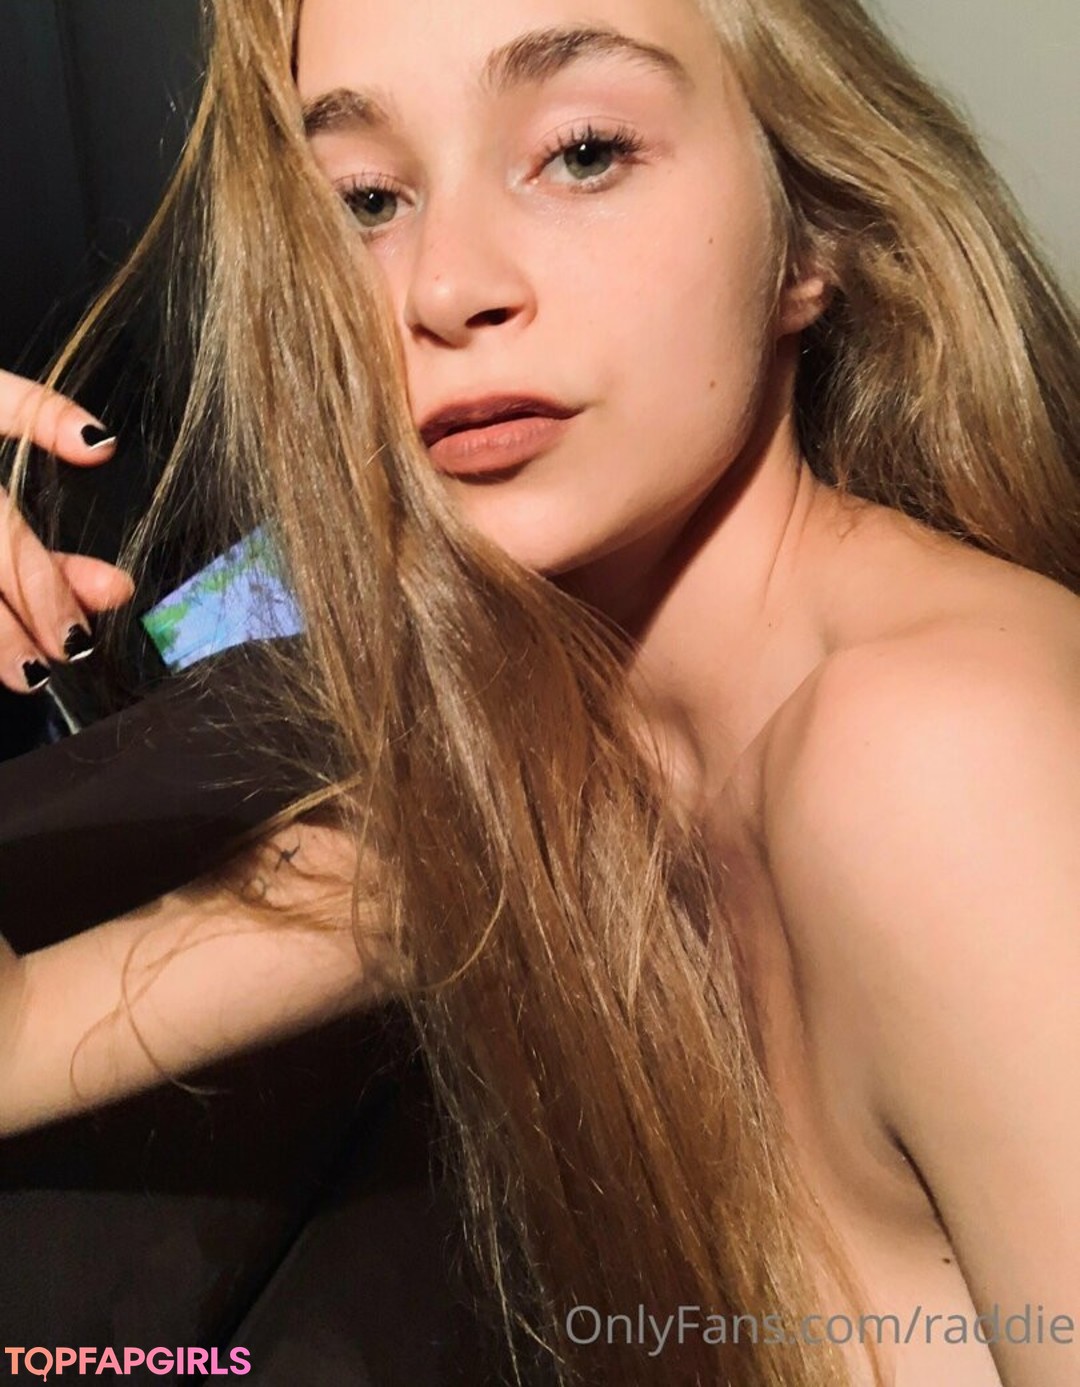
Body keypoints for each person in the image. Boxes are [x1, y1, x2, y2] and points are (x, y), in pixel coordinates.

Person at [1, 0, 1077, 1384]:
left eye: (582, 153)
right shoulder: (545, 778)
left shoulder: (945, 759)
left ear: (811, 233)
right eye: (368, 200)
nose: (445, 287)